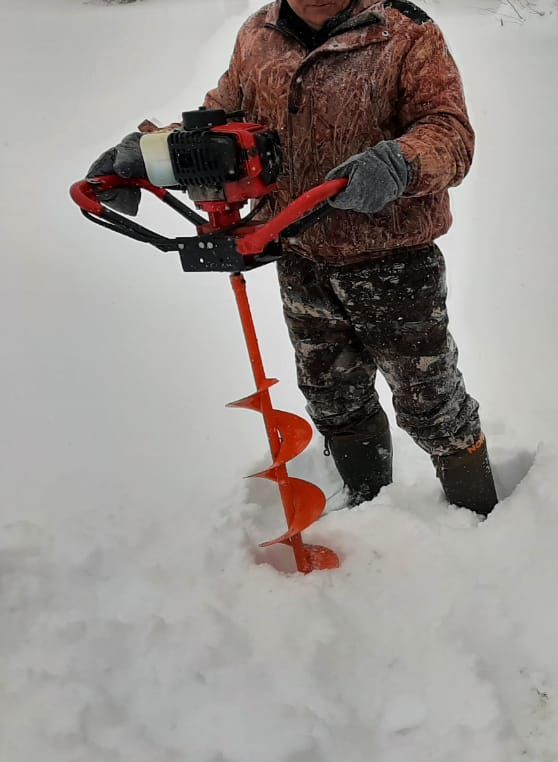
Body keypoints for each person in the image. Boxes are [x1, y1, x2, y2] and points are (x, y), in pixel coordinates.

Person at [87, 0, 497, 515]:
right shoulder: (259, 34)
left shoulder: (404, 31)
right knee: (333, 397)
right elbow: (220, 121)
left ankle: (481, 517)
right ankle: (371, 513)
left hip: (393, 259)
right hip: (298, 254)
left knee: (429, 400)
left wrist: (400, 164)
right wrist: (148, 153)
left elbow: (449, 134)